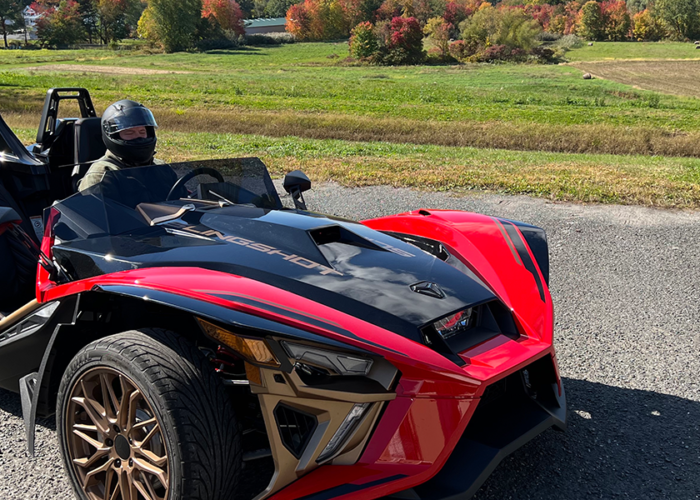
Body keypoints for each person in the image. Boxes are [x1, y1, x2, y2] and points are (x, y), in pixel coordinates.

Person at [79, 100, 163, 192]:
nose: (138, 137)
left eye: (142, 132)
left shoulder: (160, 167)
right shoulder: (102, 174)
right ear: (114, 136)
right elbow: (94, 205)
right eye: (129, 132)